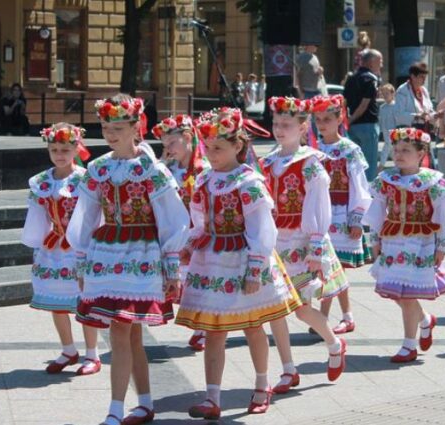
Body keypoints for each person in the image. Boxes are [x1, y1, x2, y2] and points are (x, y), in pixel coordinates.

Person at [67, 95, 189, 425]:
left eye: (118, 127)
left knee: (122, 329)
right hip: (106, 253)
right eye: (106, 127)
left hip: (142, 252)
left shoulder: (151, 169)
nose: (109, 134)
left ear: (136, 127)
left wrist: (171, 263)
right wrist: (81, 258)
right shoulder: (98, 167)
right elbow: (86, 214)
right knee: (128, 333)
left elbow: (173, 218)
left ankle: (115, 409)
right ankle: (144, 403)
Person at [176, 108, 301, 420]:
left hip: (243, 259)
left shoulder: (248, 182)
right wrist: (189, 245)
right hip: (213, 260)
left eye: (218, 148)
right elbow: (199, 221)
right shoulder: (204, 179)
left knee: (252, 325)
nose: (211, 154)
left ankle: (262, 385)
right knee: (214, 330)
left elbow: (263, 228)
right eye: (207, 148)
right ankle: (212, 397)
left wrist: (256, 267)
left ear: (238, 146)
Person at [261, 97, 349, 395]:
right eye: (275, 124)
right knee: (275, 309)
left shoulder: (310, 162)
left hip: (300, 241)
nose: (279, 130)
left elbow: (318, 205)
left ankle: (335, 343)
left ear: (302, 128)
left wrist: (315, 247)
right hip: (275, 242)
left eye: (286, 125)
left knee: (300, 309)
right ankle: (288, 370)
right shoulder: (268, 162)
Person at [364, 127, 445, 363]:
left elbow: (443, 214)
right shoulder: (386, 180)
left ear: (420, 153)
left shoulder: (432, 182)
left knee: (406, 295)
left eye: (406, 150)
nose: (399, 154)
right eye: (396, 150)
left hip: (420, 243)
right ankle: (425, 320)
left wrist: (441, 247)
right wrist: (374, 240)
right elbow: (376, 211)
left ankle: (409, 345)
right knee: (396, 291)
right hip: (393, 241)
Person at [22, 123, 101, 376]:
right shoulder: (42, 181)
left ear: (77, 148)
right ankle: (68, 349)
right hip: (54, 246)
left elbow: (94, 214)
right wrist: (36, 241)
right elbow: (36, 214)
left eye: (65, 149)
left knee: (84, 302)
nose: (59, 154)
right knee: (56, 302)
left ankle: (92, 353)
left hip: (79, 246)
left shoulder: (85, 179)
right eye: (54, 149)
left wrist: (93, 245)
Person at [310, 95, 373, 334]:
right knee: (328, 268)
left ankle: (326, 317)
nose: (322, 124)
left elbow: (359, 186)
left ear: (339, 119)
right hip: (319, 216)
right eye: (318, 119)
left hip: (341, 215)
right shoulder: (313, 149)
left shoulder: (349, 150)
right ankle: (341, 316)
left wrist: (356, 217)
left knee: (332, 268)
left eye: (327, 119)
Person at [153, 114, 210, 352]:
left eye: (172, 144)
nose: (168, 150)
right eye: (165, 146)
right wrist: (161, 164)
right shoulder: (169, 170)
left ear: (188, 137)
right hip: (178, 233)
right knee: (182, 281)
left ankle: (204, 328)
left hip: (200, 233)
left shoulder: (203, 169)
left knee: (200, 282)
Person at [345, 49, 383, 181]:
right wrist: (352, 119)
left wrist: (348, 121)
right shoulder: (371, 79)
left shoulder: (351, 78)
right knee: (369, 164)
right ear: (371, 63)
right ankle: (369, 194)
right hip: (367, 125)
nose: (381, 65)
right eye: (380, 61)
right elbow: (364, 104)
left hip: (352, 127)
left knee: (355, 163)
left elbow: (345, 102)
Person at [394, 62, 437, 131]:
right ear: (413, 76)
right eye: (421, 77)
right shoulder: (402, 90)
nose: (424, 79)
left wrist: (436, 115)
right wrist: (417, 116)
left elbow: (429, 110)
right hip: (407, 132)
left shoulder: (424, 90)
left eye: (425, 77)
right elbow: (399, 115)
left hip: (424, 129)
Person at [377, 84, 400, 170]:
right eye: (383, 93)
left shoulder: (396, 106)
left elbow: (397, 119)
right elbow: (381, 119)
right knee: (390, 149)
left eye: (387, 93)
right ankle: (397, 166)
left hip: (393, 131)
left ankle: (381, 166)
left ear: (392, 93)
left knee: (388, 147)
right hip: (385, 131)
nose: (385, 96)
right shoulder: (382, 107)